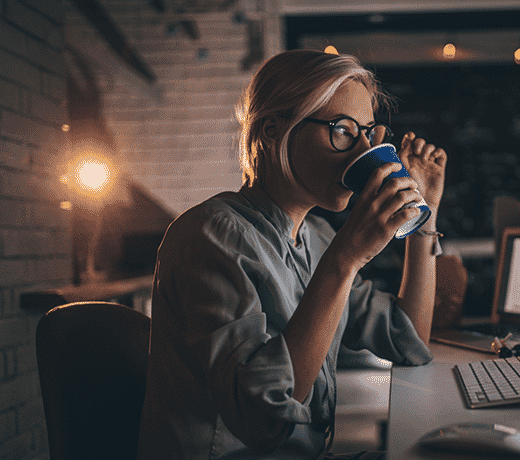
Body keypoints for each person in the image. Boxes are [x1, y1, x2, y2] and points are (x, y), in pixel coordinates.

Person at [137, 49, 447, 460]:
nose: (363, 152)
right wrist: (346, 259)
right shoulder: (209, 235)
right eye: (342, 130)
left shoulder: (316, 236)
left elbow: (407, 338)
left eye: (370, 133)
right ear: (271, 131)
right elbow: (261, 420)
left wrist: (423, 217)